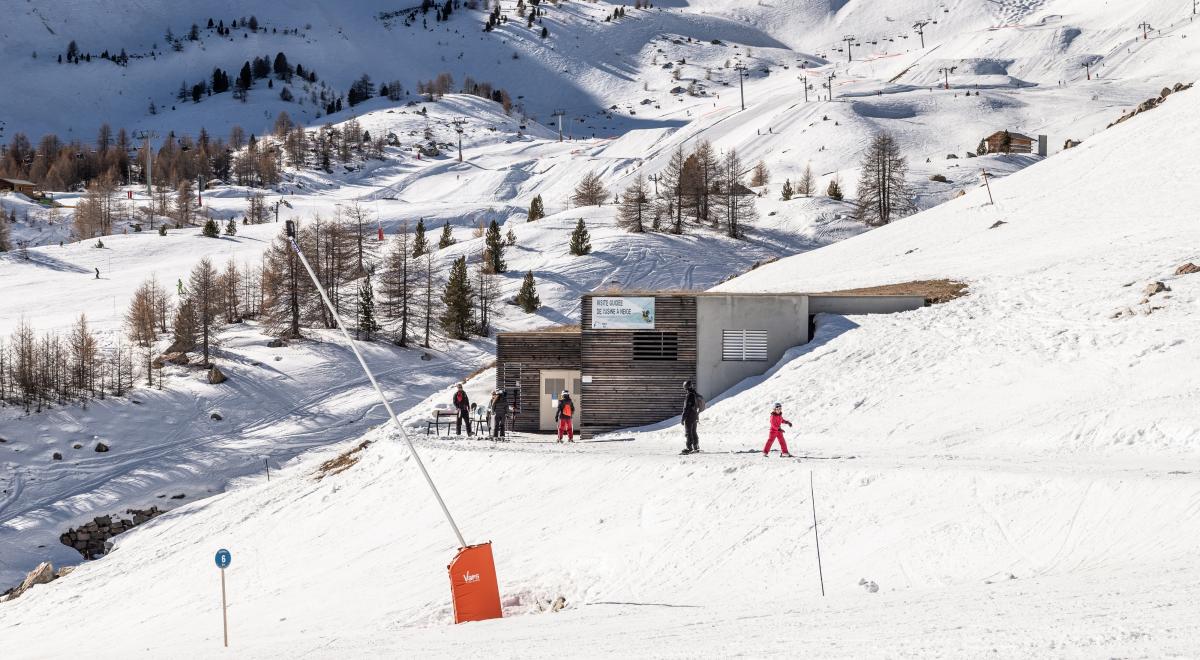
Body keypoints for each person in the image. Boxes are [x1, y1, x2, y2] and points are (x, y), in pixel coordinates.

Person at [681, 380, 700, 454]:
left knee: (688, 432)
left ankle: (689, 448)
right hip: (695, 416)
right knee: (694, 431)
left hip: (689, 417)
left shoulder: (689, 395)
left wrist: (683, 418)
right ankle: (696, 446)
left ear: (686, 387)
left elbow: (686, 408)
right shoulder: (695, 394)